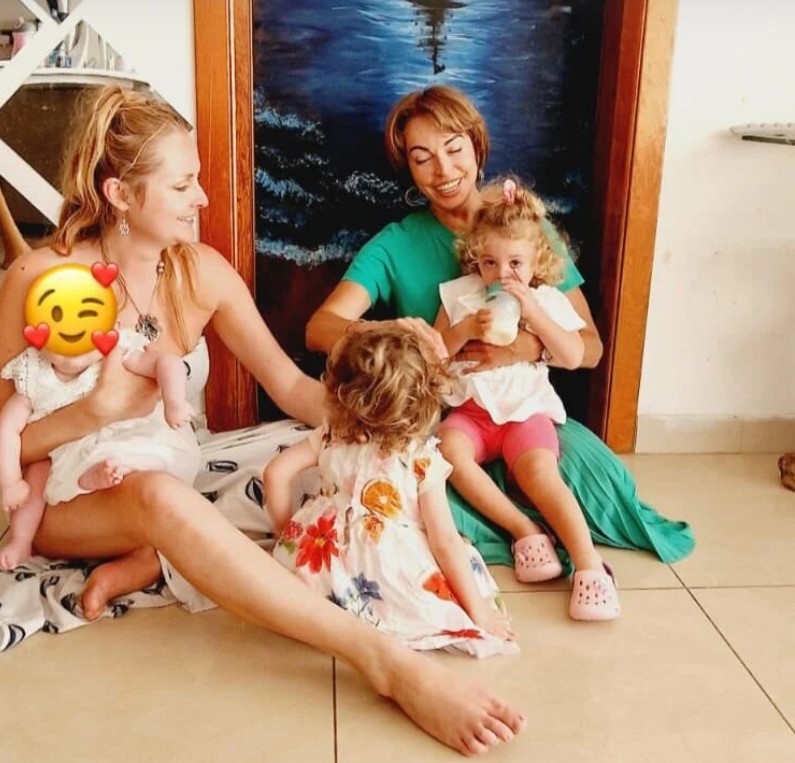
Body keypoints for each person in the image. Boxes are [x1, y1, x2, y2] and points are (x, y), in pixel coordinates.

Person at [0, 85, 525, 756]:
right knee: (161, 498)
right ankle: (384, 661)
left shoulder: (201, 272)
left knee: (326, 458)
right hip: (59, 496)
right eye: (182, 185)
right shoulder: (42, 278)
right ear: (120, 194)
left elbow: (290, 386)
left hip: (166, 461)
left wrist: (384, 421)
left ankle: (163, 556)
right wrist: (92, 411)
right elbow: (6, 443)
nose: (202, 198)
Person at [306, 84, 695, 568]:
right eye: (423, 158)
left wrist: (526, 347)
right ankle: (521, 532)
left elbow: (590, 348)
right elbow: (321, 327)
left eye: (454, 149)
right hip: (448, 419)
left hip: (522, 411)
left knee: (600, 482)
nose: (443, 170)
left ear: (477, 146)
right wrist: (400, 336)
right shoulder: (396, 243)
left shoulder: (526, 230)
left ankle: (577, 557)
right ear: (409, 168)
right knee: (404, 494)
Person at [266, 326, 517, 655]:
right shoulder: (420, 458)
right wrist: (479, 611)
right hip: (387, 570)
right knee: (458, 556)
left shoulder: (330, 435)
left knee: (298, 586)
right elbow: (444, 541)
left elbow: (275, 473)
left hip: (323, 560)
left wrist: (285, 533)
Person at [435, 176, 619, 620]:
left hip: (525, 413)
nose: (503, 275)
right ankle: (525, 530)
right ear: (475, 259)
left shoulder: (547, 299)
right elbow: (434, 354)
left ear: (537, 261)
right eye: (490, 262)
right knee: (449, 451)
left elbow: (573, 356)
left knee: (540, 472)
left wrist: (533, 313)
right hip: (472, 413)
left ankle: (590, 566)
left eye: (515, 263)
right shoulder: (460, 295)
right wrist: (465, 329)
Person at [0, 320, 197, 573]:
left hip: (120, 436)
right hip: (66, 452)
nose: (74, 344)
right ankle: (21, 540)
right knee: (36, 474)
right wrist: (11, 481)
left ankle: (117, 474)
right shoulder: (35, 374)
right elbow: (7, 428)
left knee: (145, 454)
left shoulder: (117, 352)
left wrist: (174, 401)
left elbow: (167, 363)